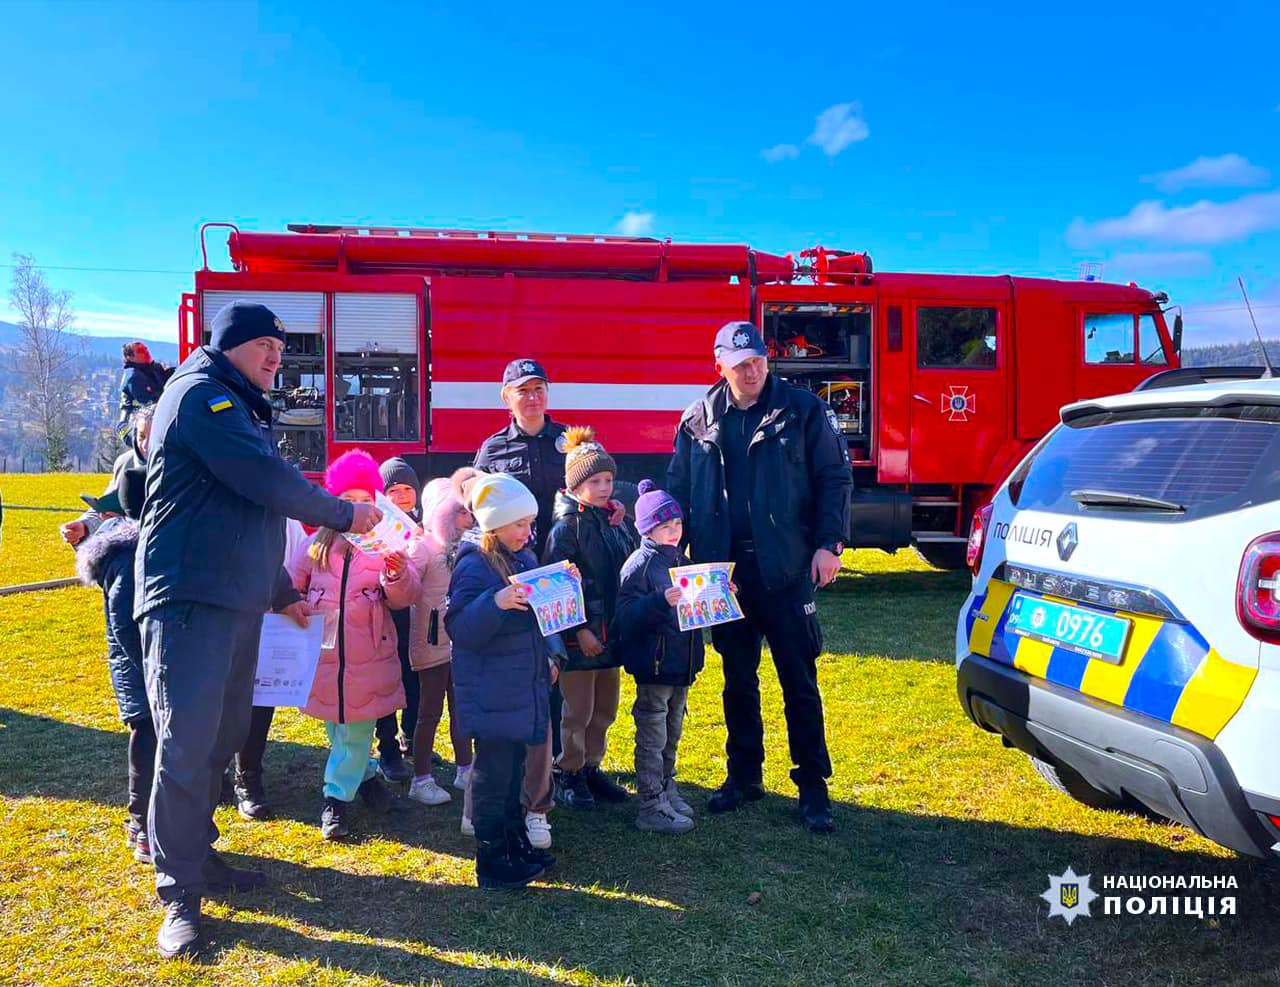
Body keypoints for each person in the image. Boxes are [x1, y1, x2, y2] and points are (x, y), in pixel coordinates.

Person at [135, 299, 381, 959]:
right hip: (190, 598)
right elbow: (261, 479)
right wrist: (341, 511)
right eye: (264, 344)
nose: (277, 355)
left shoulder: (238, 402)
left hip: (236, 600)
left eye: (281, 344)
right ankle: (178, 892)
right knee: (187, 742)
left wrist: (279, 590)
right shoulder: (201, 395)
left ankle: (198, 855)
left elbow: (247, 509)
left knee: (220, 736)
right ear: (232, 344)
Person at [667, 321, 852, 834]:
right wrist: (661, 542)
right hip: (721, 571)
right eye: (740, 363)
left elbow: (834, 479)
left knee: (799, 678)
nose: (751, 371)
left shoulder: (802, 410)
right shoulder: (696, 419)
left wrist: (828, 544)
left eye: (757, 361)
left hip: (788, 567)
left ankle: (813, 786)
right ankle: (744, 775)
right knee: (736, 678)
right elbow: (677, 489)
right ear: (719, 364)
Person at [288, 450, 419, 840]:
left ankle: (335, 800)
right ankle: (367, 779)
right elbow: (292, 583)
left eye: (365, 500)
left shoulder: (384, 547)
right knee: (339, 728)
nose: (357, 510)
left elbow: (404, 596)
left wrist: (396, 575)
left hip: (368, 656)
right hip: (326, 657)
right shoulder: (316, 546)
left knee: (354, 731)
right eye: (347, 501)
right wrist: (295, 604)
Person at [446, 472, 562, 889]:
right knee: (493, 777)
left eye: (530, 523)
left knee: (514, 771)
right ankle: (492, 858)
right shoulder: (474, 563)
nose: (528, 532)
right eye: (519, 524)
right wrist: (495, 603)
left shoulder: (525, 558)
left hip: (519, 686)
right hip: (492, 692)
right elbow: (460, 626)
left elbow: (540, 615)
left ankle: (515, 843)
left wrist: (563, 593)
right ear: (495, 523)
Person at [542, 427, 637, 810]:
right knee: (576, 710)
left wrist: (622, 525)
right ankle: (569, 771)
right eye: (595, 480)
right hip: (580, 639)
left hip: (610, 633)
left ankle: (592, 766)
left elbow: (627, 569)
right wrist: (577, 630)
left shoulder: (610, 521)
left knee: (605, 708)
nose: (604, 487)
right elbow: (556, 588)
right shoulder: (566, 529)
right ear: (575, 484)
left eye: (609, 480)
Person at [614, 480, 706, 835]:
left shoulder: (682, 560)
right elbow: (625, 617)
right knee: (652, 735)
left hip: (680, 665)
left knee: (673, 731)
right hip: (654, 668)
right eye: (665, 526)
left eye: (678, 525)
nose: (674, 531)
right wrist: (658, 602)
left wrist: (721, 590)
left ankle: (667, 787)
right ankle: (650, 802)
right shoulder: (639, 565)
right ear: (648, 529)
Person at [75, 467, 155, 860]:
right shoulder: (128, 556)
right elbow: (126, 626)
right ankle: (141, 824)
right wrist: (155, 666)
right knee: (147, 740)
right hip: (139, 667)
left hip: (146, 665)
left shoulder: (130, 548)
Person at [229, 515, 310, 822]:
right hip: (220, 619)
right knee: (216, 703)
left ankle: (247, 779)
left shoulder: (285, 520)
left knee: (259, 704)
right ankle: (215, 774)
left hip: (270, 625)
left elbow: (298, 562)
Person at [406, 478, 474, 811]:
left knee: (461, 707)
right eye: (459, 512)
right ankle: (421, 778)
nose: (467, 518)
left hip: (460, 642)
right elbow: (406, 586)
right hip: (431, 642)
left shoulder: (467, 547)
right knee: (429, 711)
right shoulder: (423, 547)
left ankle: (465, 768)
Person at [373, 455, 423, 784]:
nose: (403, 495)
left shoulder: (427, 525)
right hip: (386, 618)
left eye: (408, 488)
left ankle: (413, 737)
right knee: (387, 682)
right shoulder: (373, 528)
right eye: (394, 490)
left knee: (416, 680)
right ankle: (388, 747)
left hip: (419, 618)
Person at [61, 405, 153, 548]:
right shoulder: (125, 462)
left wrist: (127, 525)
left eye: (153, 437)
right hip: (124, 558)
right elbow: (108, 506)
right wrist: (84, 527)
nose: (146, 445)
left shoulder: (183, 468)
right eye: (141, 436)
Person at [118, 340, 171, 438]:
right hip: (133, 426)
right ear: (130, 357)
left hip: (151, 420)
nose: (145, 352)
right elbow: (151, 404)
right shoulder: (133, 376)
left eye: (145, 349)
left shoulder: (153, 368)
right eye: (140, 351)